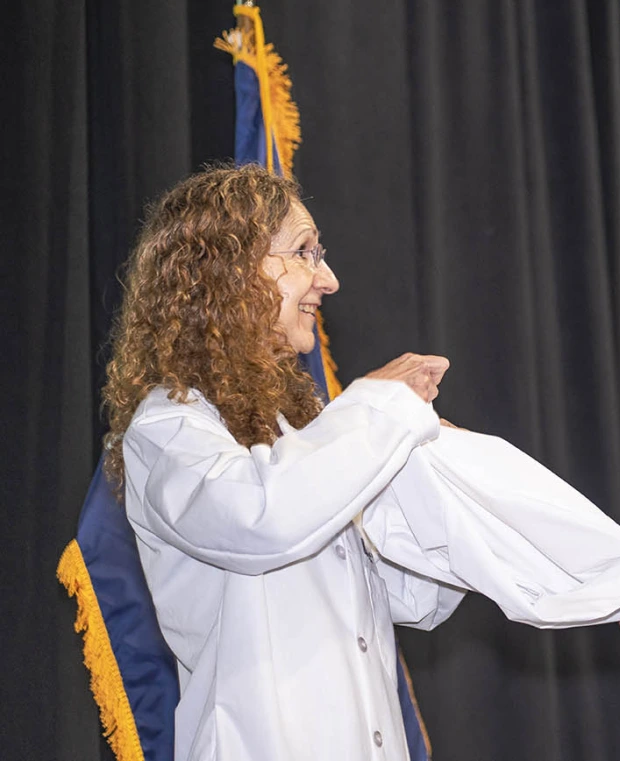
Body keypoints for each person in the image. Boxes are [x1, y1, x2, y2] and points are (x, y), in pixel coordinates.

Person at [102, 164, 462, 760]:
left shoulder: (306, 434)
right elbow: (261, 515)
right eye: (304, 251)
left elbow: (413, 598)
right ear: (226, 269)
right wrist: (375, 410)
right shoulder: (168, 428)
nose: (330, 279)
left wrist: (431, 477)